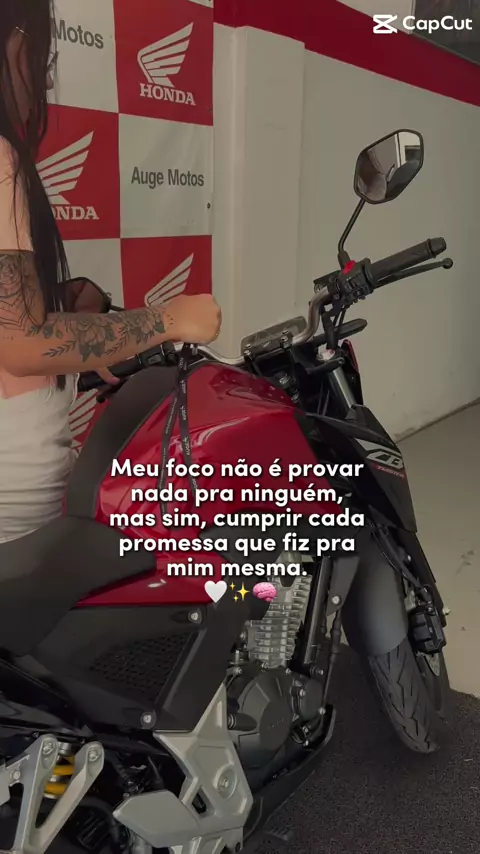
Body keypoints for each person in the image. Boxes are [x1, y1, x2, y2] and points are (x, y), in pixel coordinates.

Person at [0, 0, 222, 544]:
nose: (43, 82)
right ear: (19, 46)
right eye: (44, 59)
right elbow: (22, 342)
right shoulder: (0, 160)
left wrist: (66, 302)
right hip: (16, 505)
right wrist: (168, 319)